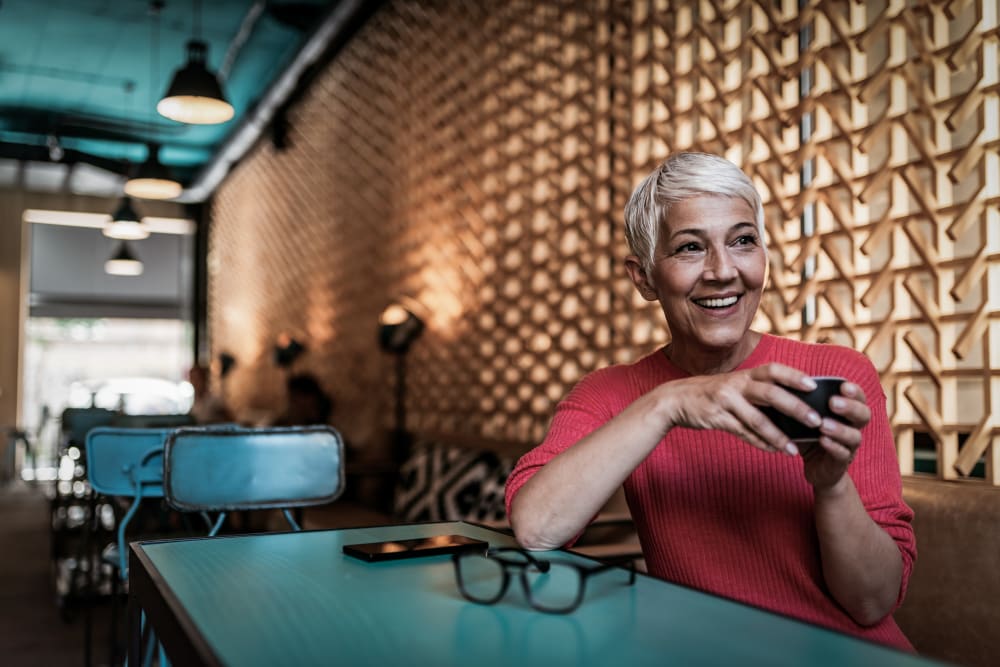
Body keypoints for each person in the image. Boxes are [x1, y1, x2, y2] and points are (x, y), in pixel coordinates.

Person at [505, 152, 915, 650]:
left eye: (743, 241)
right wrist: (668, 404)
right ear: (644, 278)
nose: (723, 271)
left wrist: (831, 486)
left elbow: (872, 603)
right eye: (690, 248)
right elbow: (536, 528)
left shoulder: (837, 375)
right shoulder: (611, 394)